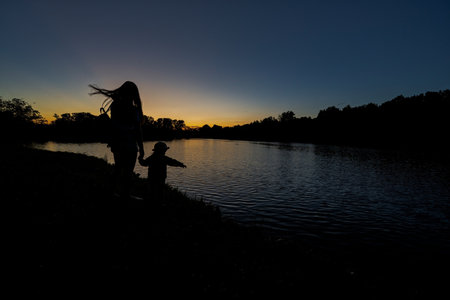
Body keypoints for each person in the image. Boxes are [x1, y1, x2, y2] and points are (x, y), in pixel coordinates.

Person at [89, 81, 145, 199]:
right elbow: (136, 131)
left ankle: (116, 192)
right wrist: (141, 149)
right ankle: (121, 194)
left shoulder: (117, 105)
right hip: (125, 144)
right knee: (124, 171)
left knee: (120, 170)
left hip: (121, 144)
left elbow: (133, 130)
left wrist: (141, 148)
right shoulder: (129, 108)